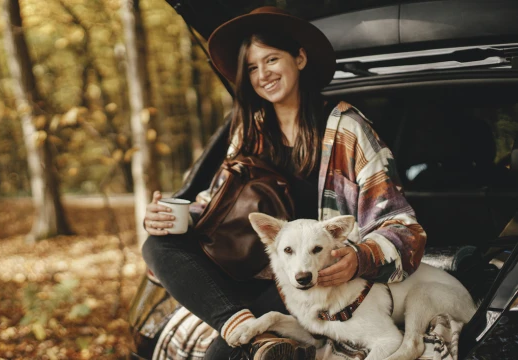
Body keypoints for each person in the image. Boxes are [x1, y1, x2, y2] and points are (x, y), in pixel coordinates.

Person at [142, 6, 427, 360]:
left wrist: (358, 257)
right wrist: (168, 217)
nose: (263, 74)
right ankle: (235, 323)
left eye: (272, 59)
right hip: (242, 266)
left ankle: (251, 336)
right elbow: (215, 203)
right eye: (252, 67)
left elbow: (404, 229)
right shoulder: (250, 132)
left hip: (307, 280)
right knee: (156, 245)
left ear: (300, 58)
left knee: (220, 355)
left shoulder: (347, 128)